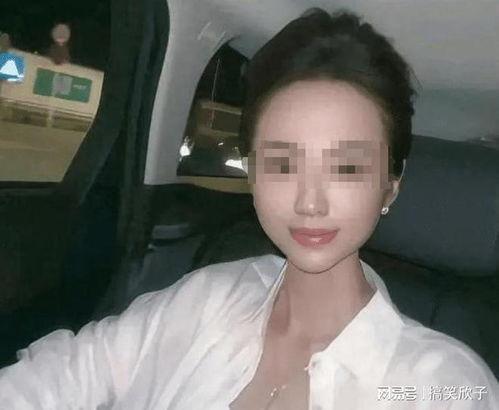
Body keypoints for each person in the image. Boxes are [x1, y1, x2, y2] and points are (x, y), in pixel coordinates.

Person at [0, 9, 498, 410]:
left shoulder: (443, 387)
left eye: (346, 167)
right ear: (253, 173)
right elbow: (70, 371)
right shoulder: (206, 298)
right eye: (282, 163)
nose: (309, 201)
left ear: (390, 186)